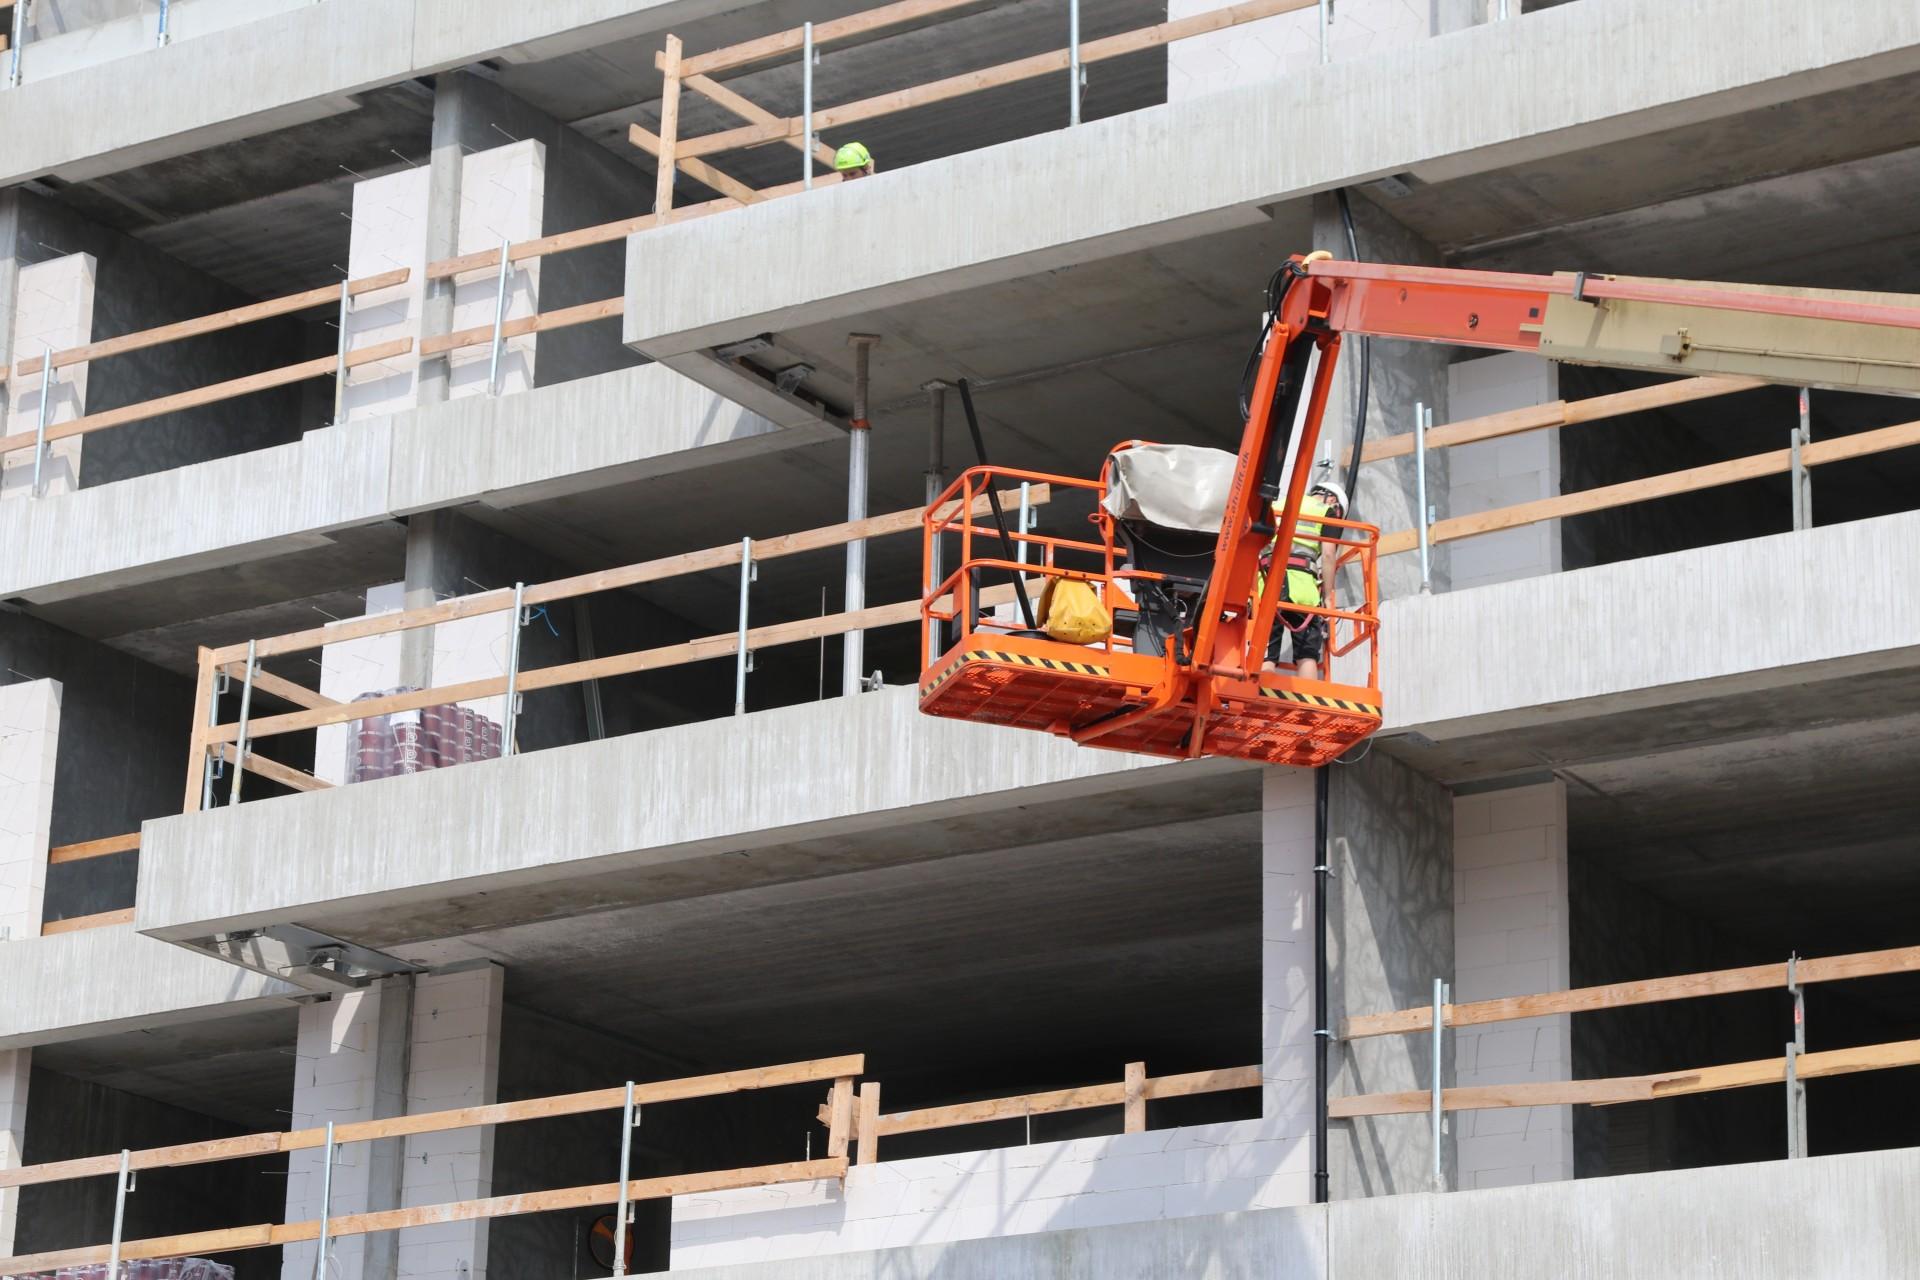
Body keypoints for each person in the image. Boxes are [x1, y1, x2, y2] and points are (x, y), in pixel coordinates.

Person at [1258, 478, 1348, 682]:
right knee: (1307, 654)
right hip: (1302, 588)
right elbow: (1327, 555)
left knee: (1266, 651)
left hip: (1267, 585)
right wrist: (1328, 595)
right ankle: (1306, 706)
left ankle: (1261, 693)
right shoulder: (1326, 512)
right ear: (1331, 499)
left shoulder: (1277, 505)